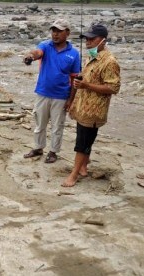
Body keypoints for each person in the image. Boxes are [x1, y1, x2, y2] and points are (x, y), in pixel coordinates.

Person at [62, 24, 121, 187]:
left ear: (103, 41)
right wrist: (81, 81)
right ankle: (84, 168)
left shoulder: (110, 62)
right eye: (86, 38)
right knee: (86, 140)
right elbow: (90, 79)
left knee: (82, 143)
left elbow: (113, 88)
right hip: (82, 107)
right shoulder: (91, 56)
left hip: (94, 110)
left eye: (91, 39)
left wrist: (87, 86)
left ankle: (73, 175)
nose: (88, 41)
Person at [23, 19, 81, 163]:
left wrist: (70, 100)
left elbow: (75, 79)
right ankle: (38, 148)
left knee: (57, 127)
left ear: (67, 33)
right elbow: (37, 52)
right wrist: (30, 57)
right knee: (39, 124)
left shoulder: (74, 54)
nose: (55, 34)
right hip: (42, 93)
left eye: (59, 31)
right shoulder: (46, 45)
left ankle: (53, 151)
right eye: (53, 31)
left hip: (61, 96)